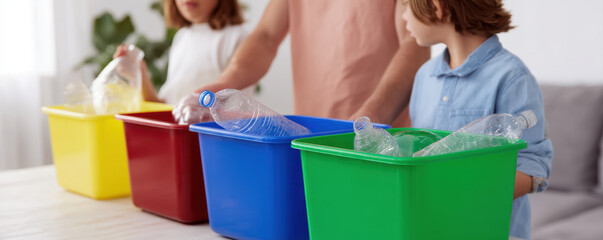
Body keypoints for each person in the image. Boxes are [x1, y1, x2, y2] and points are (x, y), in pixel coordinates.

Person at [402, 0, 553, 238]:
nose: (404, 16)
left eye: (407, 5)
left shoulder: (511, 77)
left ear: (438, 7)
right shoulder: (425, 76)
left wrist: (463, 193)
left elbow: (533, 166)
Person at [194, 0, 431, 127]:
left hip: (380, 141)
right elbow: (266, 37)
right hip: (311, 138)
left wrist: (370, 119)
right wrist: (222, 84)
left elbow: (414, 44)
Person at [114, 0, 250, 105]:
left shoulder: (235, 36)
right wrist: (139, 72)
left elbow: (234, 111)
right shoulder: (182, 37)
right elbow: (167, 108)